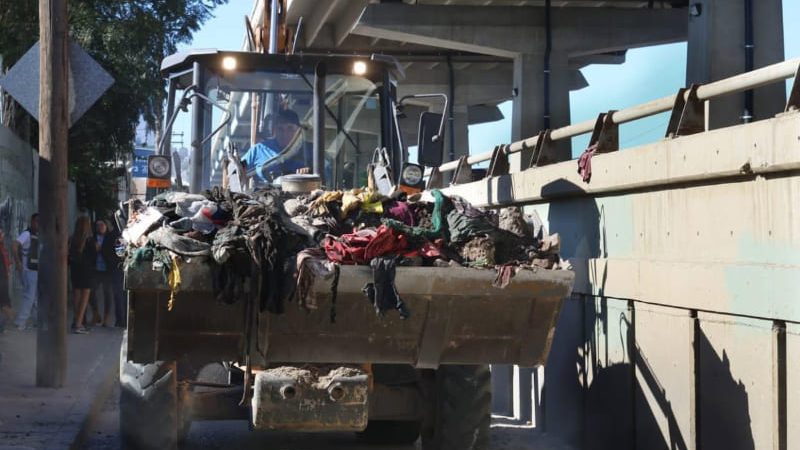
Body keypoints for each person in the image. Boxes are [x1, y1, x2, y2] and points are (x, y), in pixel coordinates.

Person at [240, 108, 313, 182]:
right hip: (263, 192)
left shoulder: (311, 150)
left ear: (298, 130)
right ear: (274, 131)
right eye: (280, 129)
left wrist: (309, 172)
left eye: (290, 128)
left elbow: (323, 173)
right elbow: (237, 172)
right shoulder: (258, 150)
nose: (285, 134)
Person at [88, 219, 121, 327]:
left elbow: (114, 253)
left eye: (102, 225)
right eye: (98, 225)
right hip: (95, 269)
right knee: (90, 292)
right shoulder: (92, 238)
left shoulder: (111, 238)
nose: (100, 227)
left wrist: (100, 250)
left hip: (107, 270)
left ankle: (106, 319)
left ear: (106, 226)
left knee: (108, 294)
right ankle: (96, 313)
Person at [69, 216, 96, 334]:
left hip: (75, 270)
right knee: (84, 299)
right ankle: (79, 324)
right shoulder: (90, 240)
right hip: (86, 271)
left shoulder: (72, 239)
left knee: (76, 297)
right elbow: (93, 257)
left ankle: (76, 321)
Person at [13, 213, 38, 330]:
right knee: (29, 297)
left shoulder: (37, 235)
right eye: (36, 221)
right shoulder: (27, 234)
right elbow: (15, 245)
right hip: (29, 271)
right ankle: (20, 322)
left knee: (35, 298)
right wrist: (18, 263)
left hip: (35, 271)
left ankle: (37, 321)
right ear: (31, 222)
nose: (38, 224)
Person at [0, 229, 13, 333]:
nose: (2, 235)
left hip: (4, 279)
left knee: (5, 305)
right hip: (2, 280)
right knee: (6, 306)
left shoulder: (2, 247)